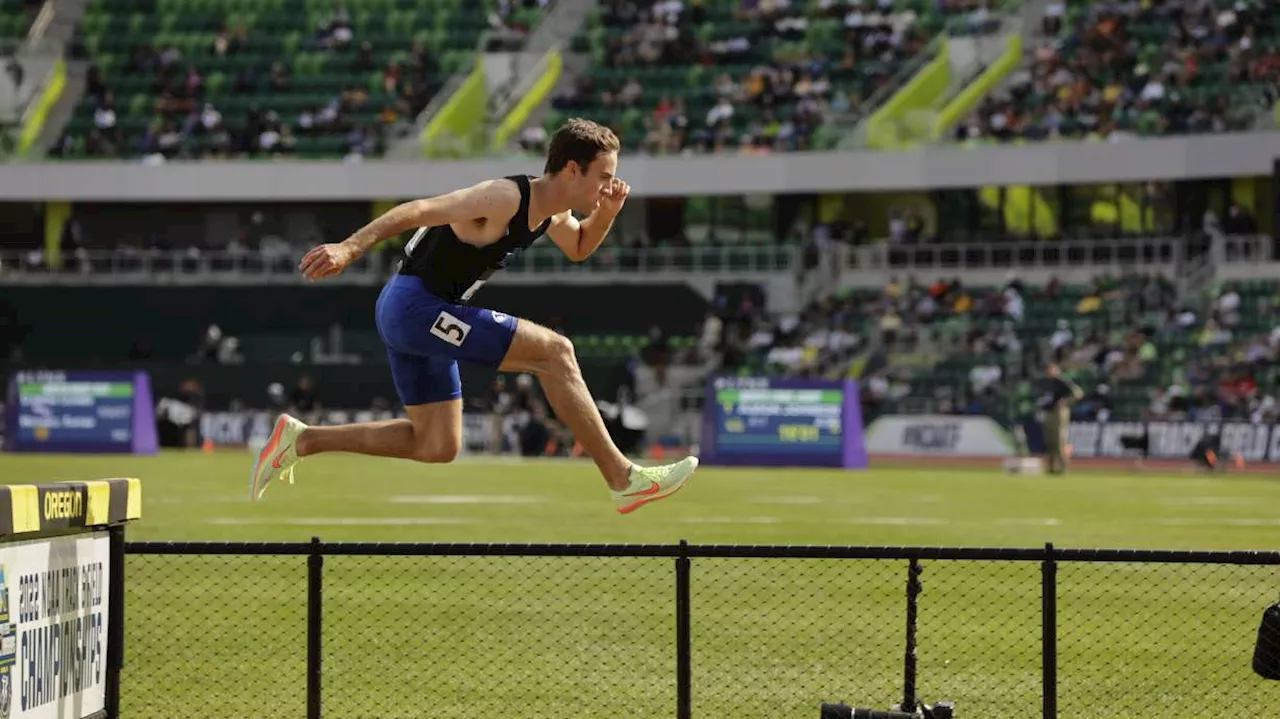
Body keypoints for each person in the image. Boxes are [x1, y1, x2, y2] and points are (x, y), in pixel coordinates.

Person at [249, 118, 698, 513]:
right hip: (414, 306)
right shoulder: (503, 197)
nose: (610, 186)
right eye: (605, 177)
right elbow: (419, 210)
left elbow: (580, 247)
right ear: (572, 169)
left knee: (437, 445)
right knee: (556, 352)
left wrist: (607, 214)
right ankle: (622, 478)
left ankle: (302, 440)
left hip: (424, 311)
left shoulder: (552, 213)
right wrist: (349, 247)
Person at [1037, 363, 1082, 474]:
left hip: (1059, 412)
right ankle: (1052, 466)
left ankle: (1063, 467)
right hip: (1049, 412)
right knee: (1050, 441)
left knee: (1059, 440)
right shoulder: (1047, 383)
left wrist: (1066, 402)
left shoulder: (1061, 380)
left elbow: (1078, 393)